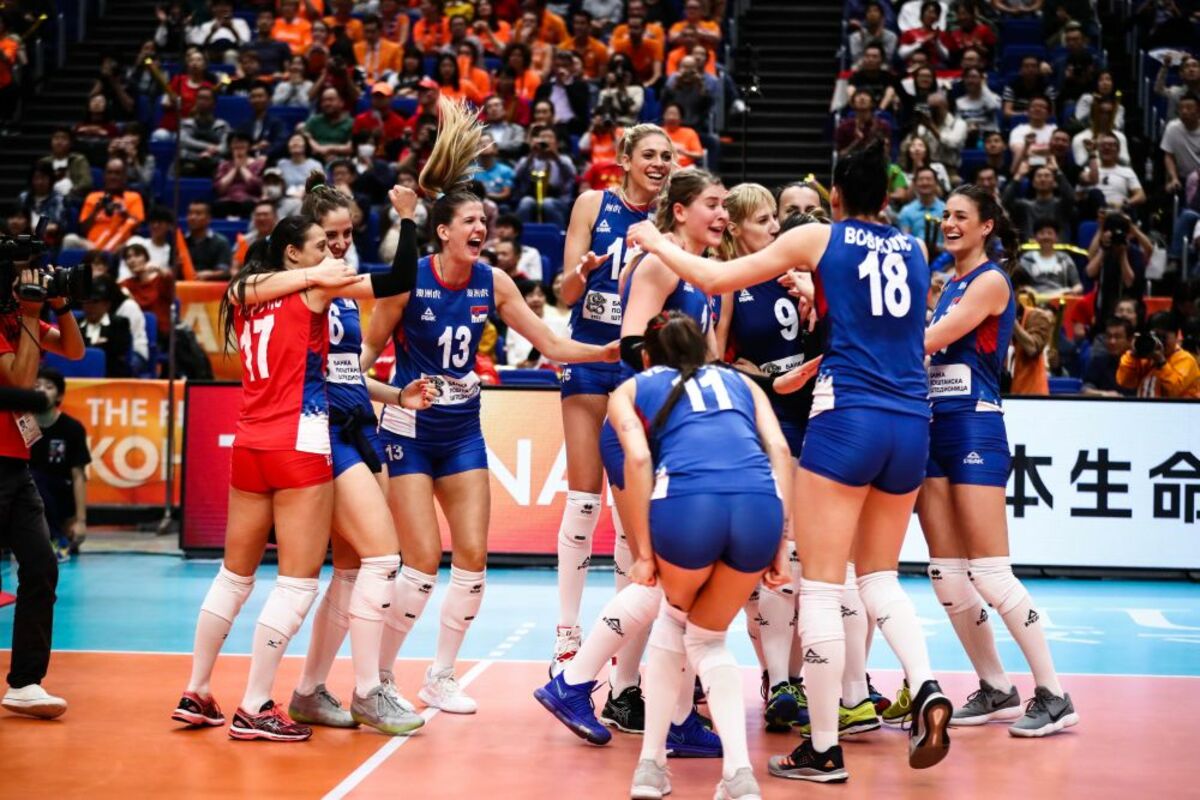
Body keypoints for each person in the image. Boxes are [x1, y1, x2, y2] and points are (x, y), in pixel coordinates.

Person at [627, 141, 953, 782]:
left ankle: (824, 748)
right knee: (880, 577)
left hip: (848, 416)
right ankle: (926, 684)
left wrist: (656, 240)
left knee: (823, 586)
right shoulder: (915, 249)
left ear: (837, 197)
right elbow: (896, 333)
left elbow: (715, 279)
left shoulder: (819, 238)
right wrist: (821, 328)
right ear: (888, 197)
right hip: (912, 419)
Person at [360, 97, 618, 716]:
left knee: (473, 560)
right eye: (471, 220)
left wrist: (610, 350)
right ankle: (381, 679)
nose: (483, 228)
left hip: (462, 432)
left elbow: (552, 342)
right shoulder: (409, 280)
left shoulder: (493, 281)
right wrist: (394, 395)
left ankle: (440, 676)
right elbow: (356, 365)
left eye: (486, 219)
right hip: (409, 430)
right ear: (443, 230)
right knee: (421, 561)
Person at [170, 211, 425, 740]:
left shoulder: (247, 294)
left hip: (249, 441)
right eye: (320, 245)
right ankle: (255, 705)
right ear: (293, 252)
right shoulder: (314, 289)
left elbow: (240, 288)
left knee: (233, 577)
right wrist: (405, 217)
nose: (331, 254)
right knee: (296, 582)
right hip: (300, 440)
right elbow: (399, 278)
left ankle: (196, 690)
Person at [536, 168, 728, 761]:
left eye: (725, 205)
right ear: (680, 212)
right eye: (713, 204)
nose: (722, 215)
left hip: (672, 432)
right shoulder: (661, 265)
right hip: (644, 430)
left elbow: (708, 359)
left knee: (677, 580)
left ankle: (663, 709)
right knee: (659, 574)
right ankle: (579, 682)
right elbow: (634, 348)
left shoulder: (699, 271)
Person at [919, 184, 1078, 736]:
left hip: (974, 424)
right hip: (935, 425)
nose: (949, 223)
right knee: (945, 573)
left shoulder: (990, 280)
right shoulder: (950, 284)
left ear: (986, 226)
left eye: (961, 216)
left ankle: (1054, 694)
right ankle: (995, 686)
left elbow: (930, 341)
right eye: (945, 215)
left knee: (989, 570)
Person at [613, 313, 792, 800]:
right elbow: (779, 450)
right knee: (709, 639)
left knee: (673, 619)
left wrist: (644, 553)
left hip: (689, 503)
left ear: (647, 357)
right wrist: (781, 544)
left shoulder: (632, 387)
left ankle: (651, 766)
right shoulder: (740, 382)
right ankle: (738, 774)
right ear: (704, 348)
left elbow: (639, 459)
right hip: (758, 505)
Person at [550, 124, 673, 684]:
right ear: (624, 159)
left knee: (632, 515)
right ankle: (566, 633)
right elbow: (564, 294)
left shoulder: (670, 218)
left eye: (666, 156)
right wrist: (583, 273)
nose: (659, 163)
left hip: (640, 368)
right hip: (588, 356)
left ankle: (625, 653)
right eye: (649, 154)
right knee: (583, 500)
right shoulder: (593, 204)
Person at [714, 187, 824, 733]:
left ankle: (793, 680)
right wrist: (762, 380)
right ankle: (778, 678)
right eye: (762, 221)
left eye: (774, 219)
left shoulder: (796, 272)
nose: (775, 228)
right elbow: (714, 359)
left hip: (814, 416)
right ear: (735, 229)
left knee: (801, 558)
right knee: (768, 552)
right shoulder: (730, 282)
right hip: (764, 421)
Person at [0, 262, 85, 720]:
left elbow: (74, 349)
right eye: (22, 276)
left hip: (17, 465)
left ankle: (25, 683)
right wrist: (32, 315)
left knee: (41, 567)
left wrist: (60, 305)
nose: (28, 283)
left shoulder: (18, 316)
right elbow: (18, 380)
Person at [29, 367, 91, 561]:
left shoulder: (71, 428)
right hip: (29, 499)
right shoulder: (25, 426)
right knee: (29, 478)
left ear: (59, 396)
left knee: (35, 478)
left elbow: (78, 476)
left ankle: (56, 538)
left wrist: (81, 521)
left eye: (48, 387)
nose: (41, 391)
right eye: (36, 386)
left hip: (61, 498)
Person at [62, 158, 145, 254]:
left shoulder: (134, 197)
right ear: (104, 175)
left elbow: (138, 228)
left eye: (117, 173)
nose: (113, 177)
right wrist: (96, 210)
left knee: (137, 241)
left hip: (119, 246)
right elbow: (83, 230)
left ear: (124, 176)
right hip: (92, 247)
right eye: (110, 173)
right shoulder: (93, 197)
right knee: (69, 239)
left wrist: (125, 214)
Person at [1117, 311, 1200, 398]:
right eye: (1155, 336)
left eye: (1163, 337)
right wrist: (1132, 355)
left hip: (1181, 406)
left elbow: (1173, 392)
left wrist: (1161, 362)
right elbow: (1125, 382)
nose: (1159, 342)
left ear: (1176, 336)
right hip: (1146, 405)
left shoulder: (1186, 359)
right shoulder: (1147, 357)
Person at [513, 125, 577, 225]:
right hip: (532, 197)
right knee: (526, 202)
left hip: (558, 200)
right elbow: (517, 175)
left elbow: (572, 175)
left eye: (549, 137)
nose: (546, 140)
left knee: (548, 203)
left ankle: (558, 233)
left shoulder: (564, 160)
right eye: (542, 137)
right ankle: (521, 233)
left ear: (556, 142)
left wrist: (555, 156)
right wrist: (532, 153)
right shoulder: (528, 160)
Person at [1018, 219, 1082, 296]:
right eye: (1042, 233)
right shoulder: (1026, 259)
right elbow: (1019, 285)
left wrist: (1072, 292)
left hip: (1061, 298)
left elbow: (1078, 285)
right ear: (1035, 237)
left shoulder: (1065, 259)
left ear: (1057, 237)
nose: (1046, 237)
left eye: (1050, 233)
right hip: (1034, 298)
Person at [178, 87, 230, 178]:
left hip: (214, 162)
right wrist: (208, 147)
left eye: (206, 98)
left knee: (223, 166)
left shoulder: (222, 125)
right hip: (190, 161)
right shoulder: (186, 124)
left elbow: (224, 148)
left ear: (214, 103)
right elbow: (183, 141)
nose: (202, 101)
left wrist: (209, 154)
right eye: (199, 98)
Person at [1083, 316, 1135, 396]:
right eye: (1109, 336)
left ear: (1130, 340)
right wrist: (1105, 394)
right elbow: (1086, 389)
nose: (1112, 341)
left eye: (1117, 337)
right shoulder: (1099, 362)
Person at [185, 202, 234, 282]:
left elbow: (226, 272)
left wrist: (210, 274)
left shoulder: (221, 242)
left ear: (208, 218)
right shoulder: (179, 242)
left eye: (198, 214)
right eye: (190, 213)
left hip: (211, 286)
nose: (192, 217)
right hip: (183, 286)